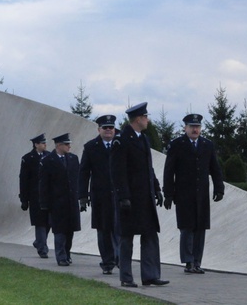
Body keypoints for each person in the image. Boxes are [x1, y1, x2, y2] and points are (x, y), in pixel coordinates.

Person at [111, 101, 169, 288]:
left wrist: (157, 188)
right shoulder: (121, 140)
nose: (148, 120)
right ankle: (126, 277)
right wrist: (123, 196)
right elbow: (117, 171)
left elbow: (148, 167)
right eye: (145, 117)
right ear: (138, 119)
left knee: (150, 235)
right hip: (130, 198)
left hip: (145, 198)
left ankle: (150, 275)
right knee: (127, 238)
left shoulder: (143, 139)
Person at [162, 113, 225, 274]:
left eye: (197, 127)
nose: (195, 129)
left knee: (200, 228)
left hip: (202, 194)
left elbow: (215, 168)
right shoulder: (177, 145)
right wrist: (168, 194)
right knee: (186, 228)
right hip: (183, 194)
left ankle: (197, 261)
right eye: (192, 127)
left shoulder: (207, 145)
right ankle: (188, 261)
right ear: (185, 128)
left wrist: (219, 188)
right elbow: (169, 171)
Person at [78, 114, 120, 275]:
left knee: (120, 229)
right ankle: (107, 262)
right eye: (105, 128)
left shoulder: (122, 144)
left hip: (119, 195)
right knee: (103, 231)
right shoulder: (90, 147)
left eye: (111, 128)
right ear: (99, 129)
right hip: (100, 196)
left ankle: (121, 259)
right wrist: (82, 196)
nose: (108, 130)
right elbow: (84, 173)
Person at [39, 133, 81, 266]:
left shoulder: (73, 159)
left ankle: (67, 253)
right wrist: (44, 203)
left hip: (71, 201)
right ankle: (61, 256)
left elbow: (77, 180)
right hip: (56, 202)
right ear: (58, 145)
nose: (69, 146)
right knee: (59, 231)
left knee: (70, 230)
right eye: (66, 144)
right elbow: (43, 184)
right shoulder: (47, 161)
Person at [19, 133, 50, 258]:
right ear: (36, 144)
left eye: (45, 143)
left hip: (48, 195)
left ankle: (39, 242)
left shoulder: (49, 156)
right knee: (40, 222)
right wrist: (24, 199)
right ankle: (42, 248)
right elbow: (24, 180)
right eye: (42, 143)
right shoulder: (28, 158)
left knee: (49, 222)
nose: (44, 145)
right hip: (35, 196)